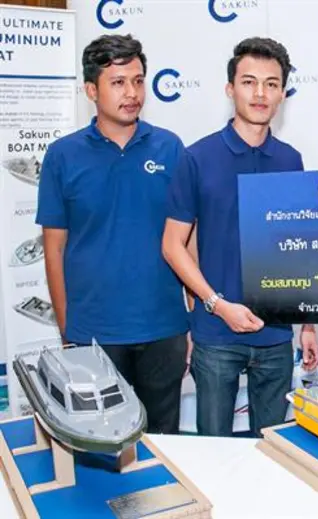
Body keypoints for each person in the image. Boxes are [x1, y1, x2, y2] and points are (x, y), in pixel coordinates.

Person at [162, 37, 318, 438]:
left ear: (282, 94)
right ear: (230, 88)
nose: (260, 93)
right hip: (216, 334)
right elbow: (172, 245)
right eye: (249, 82)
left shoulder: (290, 160)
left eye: (271, 84)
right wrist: (216, 305)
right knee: (213, 450)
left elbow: (298, 246)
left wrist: (308, 324)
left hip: (276, 334)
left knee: (275, 450)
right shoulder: (197, 157)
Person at [35, 34, 189, 434]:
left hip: (164, 328)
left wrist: (193, 318)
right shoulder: (62, 156)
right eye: (118, 82)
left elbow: (188, 241)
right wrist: (68, 331)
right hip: (93, 335)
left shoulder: (170, 148)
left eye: (137, 81)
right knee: (100, 447)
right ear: (92, 90)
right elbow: (54, 250)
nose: (132, 93)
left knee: (163, 444)